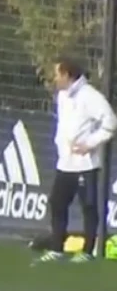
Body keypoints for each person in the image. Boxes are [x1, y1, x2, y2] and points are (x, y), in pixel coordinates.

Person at [37, 57, 117, 263]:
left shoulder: (90, 96)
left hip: (85, 164)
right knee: (57, 202)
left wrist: (89, 144)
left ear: (67, 75)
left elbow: (109, 121)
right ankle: (57, 248)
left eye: (57, 74)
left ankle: (88, 251)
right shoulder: (63, 97)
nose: (55, 79)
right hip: (65, 163)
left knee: (88, 206)